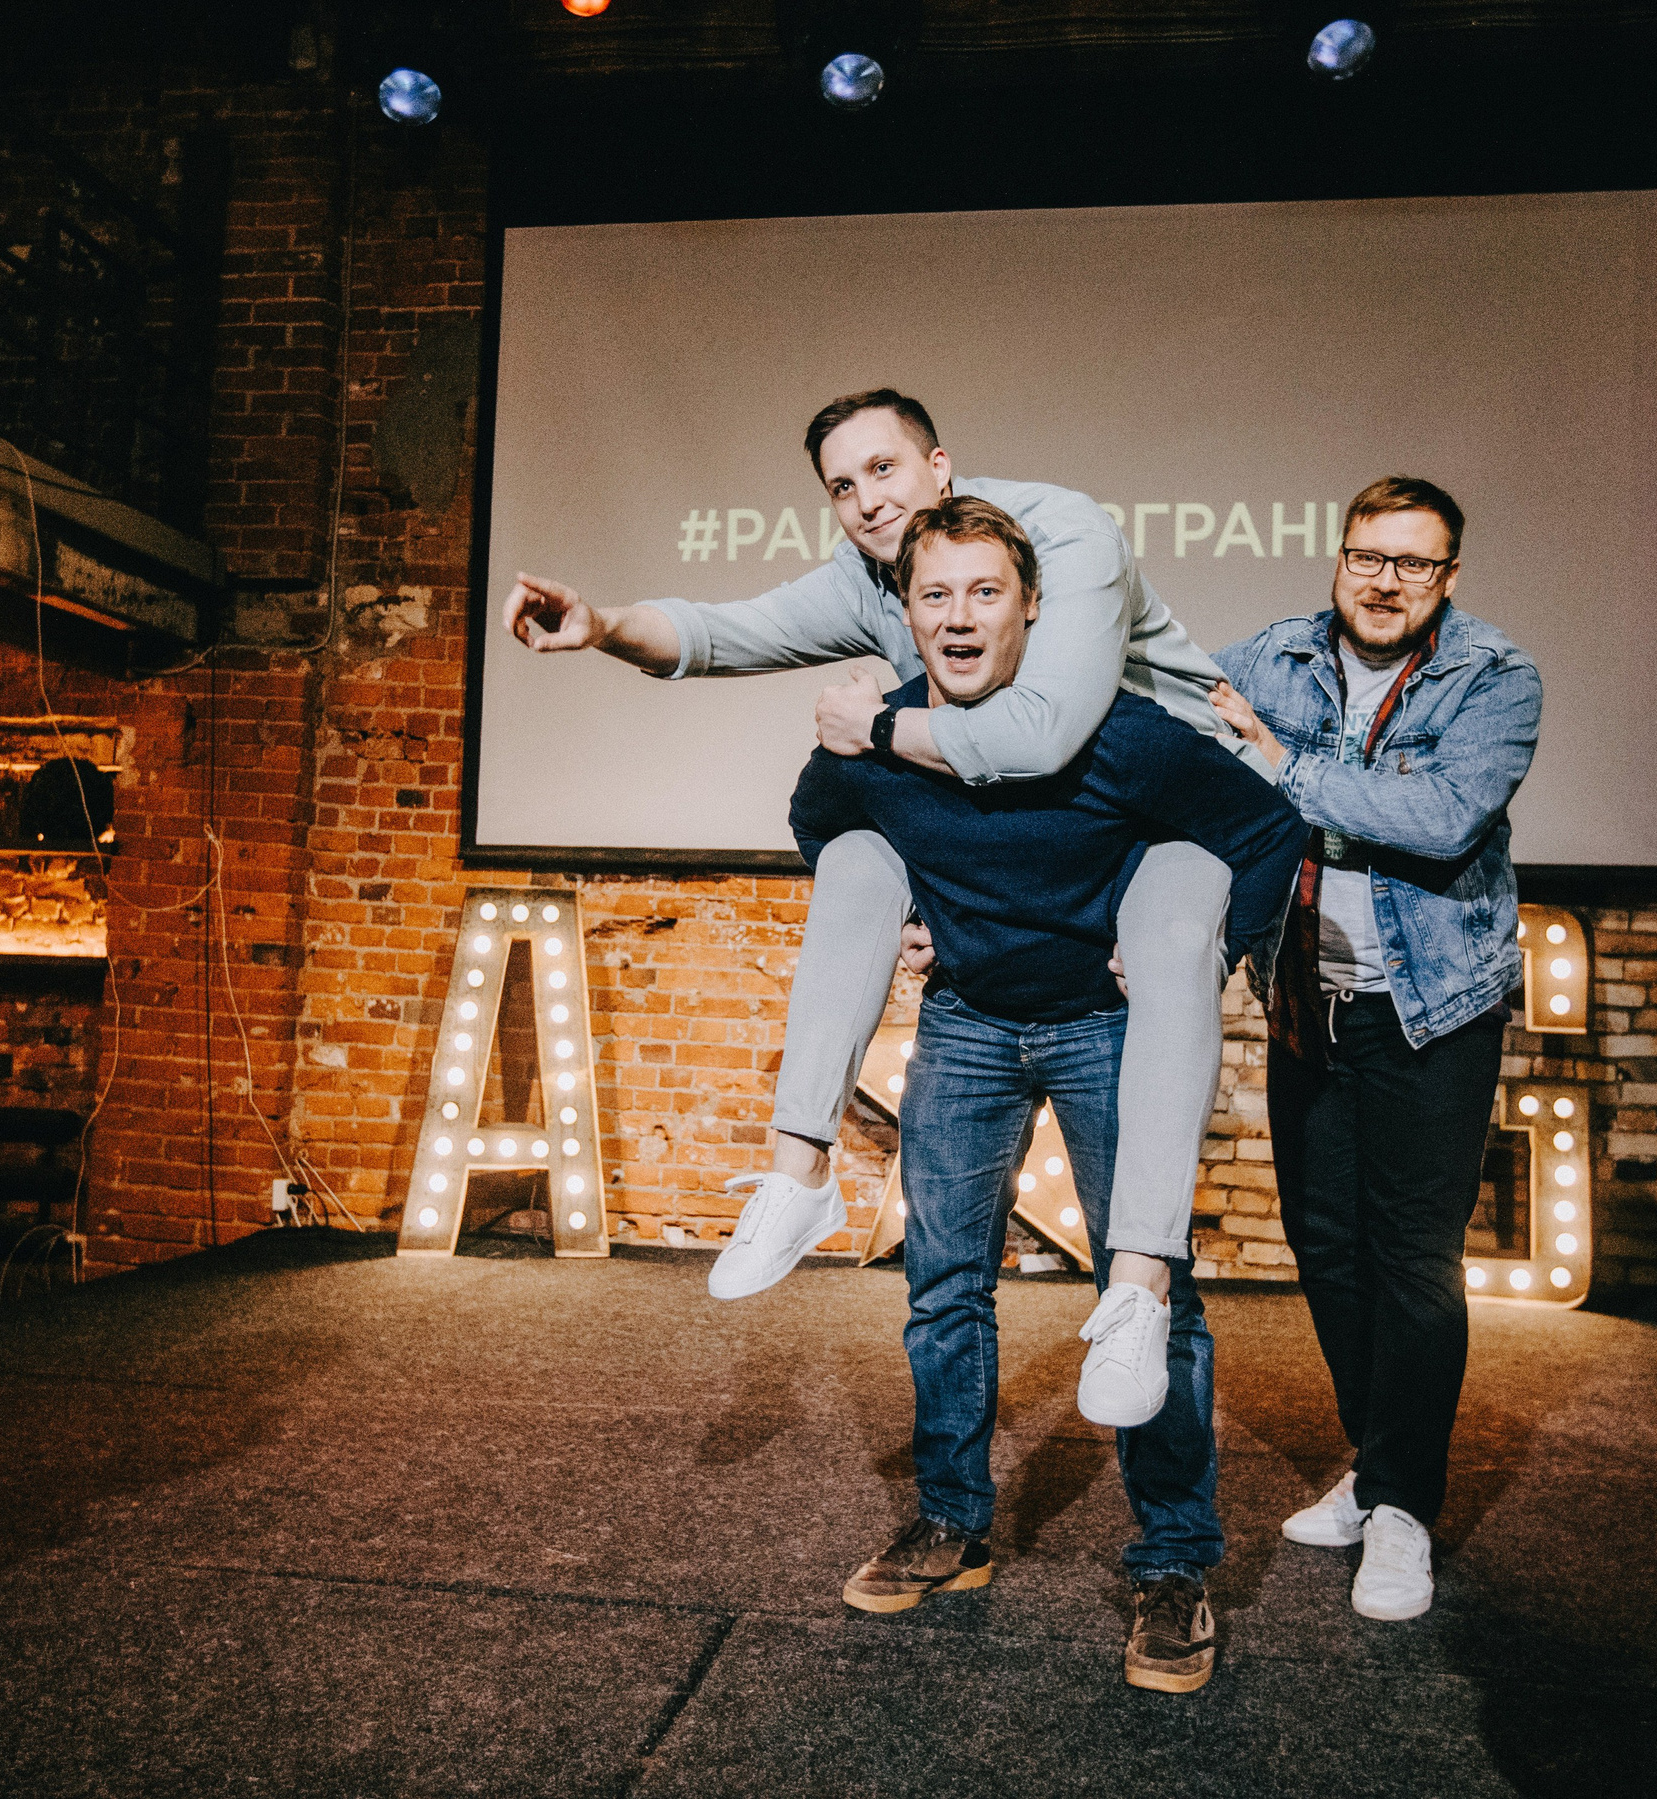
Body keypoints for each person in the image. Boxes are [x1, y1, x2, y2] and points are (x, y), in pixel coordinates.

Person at [501, 389, 1242, 1424]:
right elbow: (726, 631)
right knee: (856, 860)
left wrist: (879, 725)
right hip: (1009, 911)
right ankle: (798, 1169)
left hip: (1163, 821)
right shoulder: (874, 574)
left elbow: (1042, 735)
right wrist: (603, 626)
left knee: (1151, 1265)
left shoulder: (1062, 535)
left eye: (883, 469)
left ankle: (1145, 1315)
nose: (865, 500)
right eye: (841, 486)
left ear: (940, 466)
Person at [789, 496, 1305, 1693]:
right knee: (942, 1286)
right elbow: (818, 824)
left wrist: (1206, 951)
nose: (959, 616)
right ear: (908, 612)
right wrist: (899, 914)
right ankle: (951, 1521)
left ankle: (1173, 1562)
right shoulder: (878, 734)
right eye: (935, 594)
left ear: (1031, 609)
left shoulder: (1120, 732)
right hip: (965, 1021)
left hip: (1105, 1031)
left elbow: (1267, 830)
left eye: (986, 591)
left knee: (1150, 1297)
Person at [1207, 476, 1542, 1624]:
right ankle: (1376, 1459)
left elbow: (1442, 819)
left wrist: (1281, 769)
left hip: (1430, 1009)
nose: (1385, 580)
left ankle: (1401, 1506)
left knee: (1414, 1260)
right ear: (1338, 555)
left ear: (1447, 575)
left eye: (1413, 562)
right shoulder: (1272, 658)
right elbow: (1159, 710)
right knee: (1327, 1245)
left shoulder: (1494, 676)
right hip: (1308, 1002)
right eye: (1367, 555)